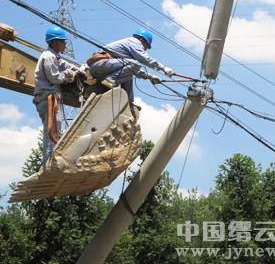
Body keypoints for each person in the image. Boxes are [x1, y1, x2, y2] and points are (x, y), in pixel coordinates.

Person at [86, 28, 174, 103]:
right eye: (146, 46)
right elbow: (144, 59)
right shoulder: (134, 42)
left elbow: (133, 70)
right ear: (141, 39)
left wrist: (149, 76)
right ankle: (109, 81)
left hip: (103, 68)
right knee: (135, 64)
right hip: (100, 65)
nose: (145, 49)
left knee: (129, 73)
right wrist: (163, 68)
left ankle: (128, 102)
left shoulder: (128, 52)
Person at [33, 26, 77, 165]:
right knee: (52, 131)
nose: (65, 44)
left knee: (52, 130)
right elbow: (54, 78)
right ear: (55, 42)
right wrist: (67, 76)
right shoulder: (49, 57)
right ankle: (49, 163)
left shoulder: (53, 56)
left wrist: (77, 69)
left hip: (45, 99)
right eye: (63, 42)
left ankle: (49, 161)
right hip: (48, 98)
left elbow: (65, 65)